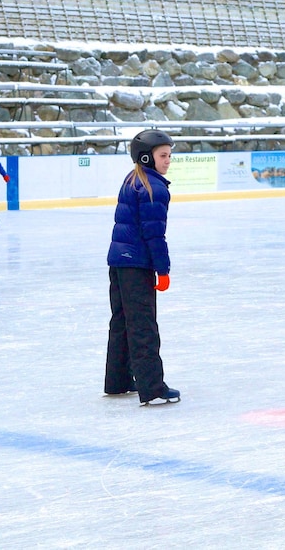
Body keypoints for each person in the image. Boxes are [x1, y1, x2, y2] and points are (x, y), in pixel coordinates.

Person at [105, 129, 180, 406]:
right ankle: (153, 387)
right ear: (147, 157)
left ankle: (118, 380)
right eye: (163, 155)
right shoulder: (154, 188)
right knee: (143, 325)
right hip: (137, 264)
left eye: (169, 155)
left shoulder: (132, 180)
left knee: (122, 322)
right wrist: (163, 269)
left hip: (119, 261)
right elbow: (154, 235)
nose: (168, 160)